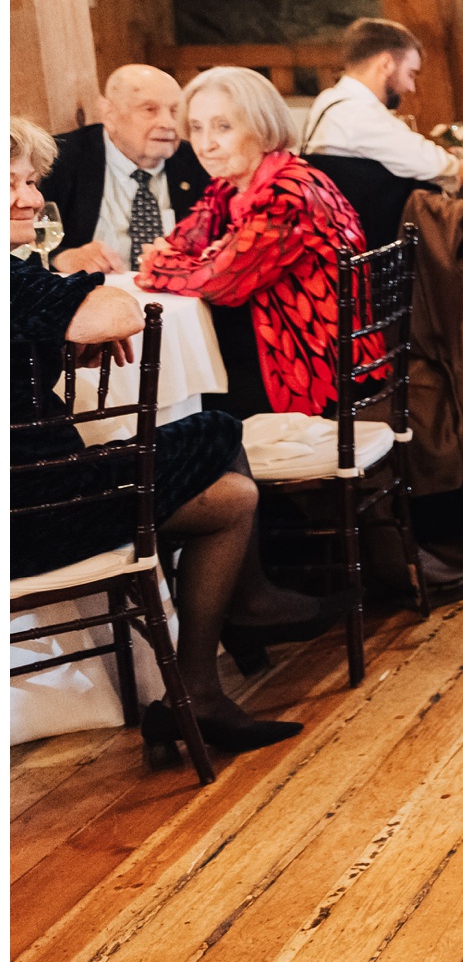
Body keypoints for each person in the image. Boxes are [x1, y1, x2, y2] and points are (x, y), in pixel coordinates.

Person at [13, 119, 325, 756]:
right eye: (12, 184)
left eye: (31, 183)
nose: (31, 198)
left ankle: (196, 693)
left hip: (34, 497)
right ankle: (246, 615)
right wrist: (76, 319)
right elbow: (119, 309)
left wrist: (59, 332)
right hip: (35, 509)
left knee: (233, 497)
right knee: (217, 428)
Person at [136, 67, 374, 420]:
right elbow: (184, 242)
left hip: (310, 362)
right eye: (197, 128)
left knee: (170, 397)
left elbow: (219, 283)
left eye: (223, 127)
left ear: (263, 128)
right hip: (275, 341)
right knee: (170, 375)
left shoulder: (288, 193)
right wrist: (187, 262)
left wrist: (160, 264)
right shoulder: (229, 184)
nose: (205, 145)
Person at [42, 64, 210, 273]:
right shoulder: (57, 159)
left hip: (178, 290)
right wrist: (60, 257)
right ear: (110, 115)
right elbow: (17, 246)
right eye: (150, 110)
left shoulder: (202, 163)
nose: (168, 123)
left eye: (175, 111)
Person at [301, 18, 463, 191]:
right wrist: (456, 167)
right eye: (410, 74)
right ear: (386, 64)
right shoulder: (355, 110)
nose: (411, 88)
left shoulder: (328, 100)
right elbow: (424, 160)